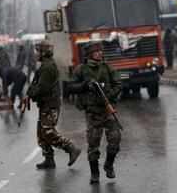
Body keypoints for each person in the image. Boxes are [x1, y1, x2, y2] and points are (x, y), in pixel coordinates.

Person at [68, 42, 122, 184]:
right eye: (96, 51)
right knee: (93, 144)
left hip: (107, 110)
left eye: (100, 51)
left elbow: (118, 83)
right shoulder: (81, 69)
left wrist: (109, 95)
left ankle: (109, 165)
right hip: (92, 113)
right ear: (89, 54)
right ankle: (95, 173)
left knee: (115, 140)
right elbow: (71, 87)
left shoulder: (107, 67)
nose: (99, 53)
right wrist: (85, 85)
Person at [25, 40, 81, 169]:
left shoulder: (48, 67)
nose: (35, 54)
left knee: (48, 131)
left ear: (43, 53)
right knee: (41, 134)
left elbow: (42, 88)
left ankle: (71, 148)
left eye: (37, 51)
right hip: (46, 103)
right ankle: (49, 159)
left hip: (50, 104)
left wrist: (31, 93)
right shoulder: (45, 65)